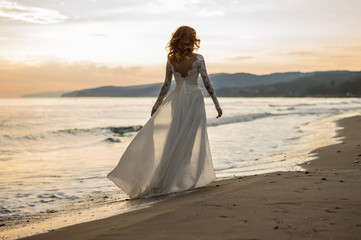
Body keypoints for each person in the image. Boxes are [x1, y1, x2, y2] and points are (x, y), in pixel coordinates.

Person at [107, 26, 222, 198]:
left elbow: (166, 86)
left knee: (175, 137)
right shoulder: (199, 58)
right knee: (189, 139)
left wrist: (157, 104)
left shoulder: (171, 59)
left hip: (177, 100)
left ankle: (171, 177)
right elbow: (207, 83)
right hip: (194, 100)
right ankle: (178, 178)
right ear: (190, 38)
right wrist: (217, 104)